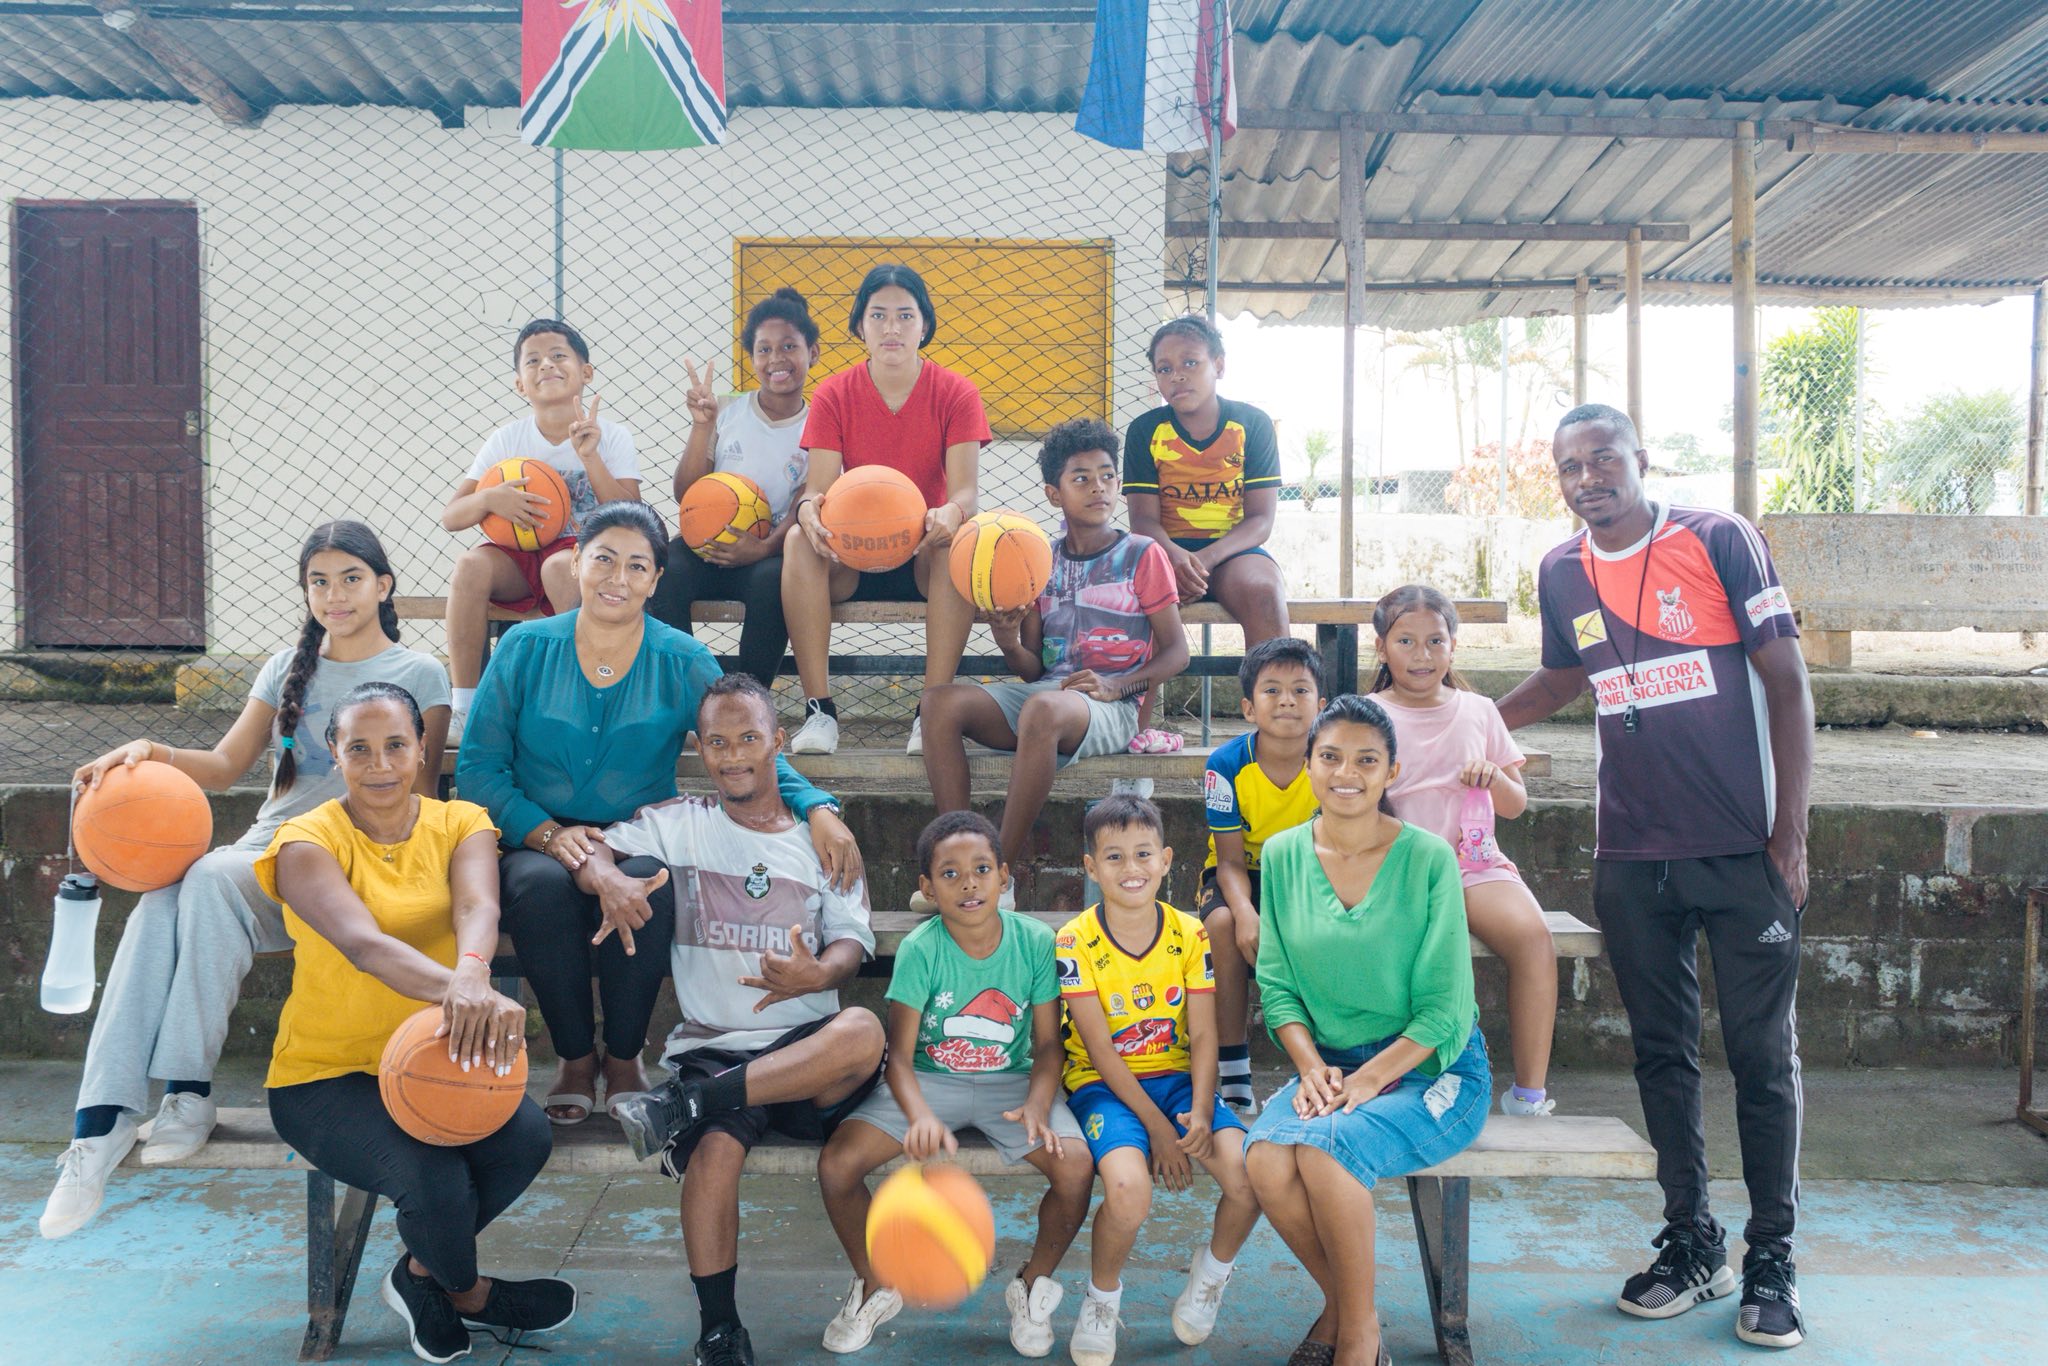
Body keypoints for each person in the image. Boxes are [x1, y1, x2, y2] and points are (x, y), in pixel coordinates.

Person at [1496, 403, 1813, 1350]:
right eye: (1569, 466)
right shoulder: (1562, 569)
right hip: (1633, 856)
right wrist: (1459, 719)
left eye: (1603, 459)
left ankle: (1773, 1258)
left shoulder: (1718, 539)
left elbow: (1788, 681)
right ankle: (1693, 1241)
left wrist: (1790, 833)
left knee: (1761, 1058)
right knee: (1662, 1055)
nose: (1587, 479)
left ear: (1642, 459)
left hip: (1743, 848)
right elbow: (1561, 680)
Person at [40, 521, 450, 1239]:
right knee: (164, 895)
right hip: (266, 858)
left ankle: (189, 1088)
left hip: (353, 863)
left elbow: (424, 792)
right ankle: (100, 1121)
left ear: (383, 586)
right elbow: (227, 766)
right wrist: (148, 750)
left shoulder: (419, 673)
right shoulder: (287, 666)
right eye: (318, 581)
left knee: (206, 877)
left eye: (351, 578)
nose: (335, 594)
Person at [455, 501, 862, 1126]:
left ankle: (624, 1059)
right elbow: (479, 769)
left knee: (650, 882)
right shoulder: (525, 647)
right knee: (539, 890)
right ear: (576, 563)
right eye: (604, 559)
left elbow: (748, 744)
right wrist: (549, 834)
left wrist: (820, 807)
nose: (618, 578)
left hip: (638, 837)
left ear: (655, 580)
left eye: (637, 566)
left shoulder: (682, 659)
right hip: (534, 835)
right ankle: (574, 1060)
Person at [567, 674, 884, 1366]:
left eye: (748, 737)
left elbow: (851, 942)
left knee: (862, 1030)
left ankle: (685, 1105)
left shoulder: (823, 840)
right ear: (699, 748)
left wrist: (819, 974)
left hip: (806, 1051)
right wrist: (607, 877)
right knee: (714, 1154)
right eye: (717, 742)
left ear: (778, 741)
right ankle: (719, 1331)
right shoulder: (677, 823)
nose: (734, 754)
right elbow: (590, 846)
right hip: (716, 1048)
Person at [260, 682, 572, 1365]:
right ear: (334, 753)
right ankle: (471, 1293)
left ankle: (421, 1273)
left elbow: (478, 909)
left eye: (396, 745)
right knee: (433, 1177)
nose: (380, 765)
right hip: (326, 1077)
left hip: (440, 1059)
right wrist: (466, 992)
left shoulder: (462, 822)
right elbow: (364, 946)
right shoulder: (304, 842)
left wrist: (472, 974)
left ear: (423, 748)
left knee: (525, 1137)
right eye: (359, 749)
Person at [1244, 694, 1490, 1366]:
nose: (1345, 773)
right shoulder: (1284, 855)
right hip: (1330, 1064)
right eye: (1329, 757)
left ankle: (1354, 1339)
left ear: (1391, 772)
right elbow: (1277, 986)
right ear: (1308, 765)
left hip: (1431, 1068)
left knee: (1325, 1151)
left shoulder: (1429, 858)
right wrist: (1310, 1068)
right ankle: (1353, 1310)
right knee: (1265, 1158)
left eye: (1365, 760)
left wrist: (1368, 1080)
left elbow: (1445, 1011)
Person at [818, 811, 1095, 1359]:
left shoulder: (1036, 942)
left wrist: (1039, 1102)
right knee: (837, 1165)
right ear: (927, 887)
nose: (969, 883)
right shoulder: (922, 948)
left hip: (1012, 1083)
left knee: (1077, 1167)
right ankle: (874, 1283)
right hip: (928, 1079)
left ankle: (1032, 1284)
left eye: (982, 869)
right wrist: (919, 1114)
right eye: (950, 873)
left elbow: (1048, 1047)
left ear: (1004, 877)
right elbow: (898, 1059)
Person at [918, 419, 1188, 886]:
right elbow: (1034, 669)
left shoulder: (1142, 554)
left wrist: (1118, 685)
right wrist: (1007, 640)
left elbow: (1178, 652)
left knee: (1043, 709)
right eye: (1081, 478)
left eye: (1107, 475)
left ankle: (996, 873)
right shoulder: (1039, 558)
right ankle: (957, 855)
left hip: (1115, 707)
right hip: (1050, 697)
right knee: (937, 703)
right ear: (1053, 494)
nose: (1098, 487)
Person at [1056, 794, 1259, 1366]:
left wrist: (1201, 1111)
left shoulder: (1190, 934)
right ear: (1091, 867)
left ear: (1166, 860)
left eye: (1143, 853)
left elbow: (1205, 1034)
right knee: (1128, 1190)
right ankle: (1102, 1300)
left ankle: (1211, 1273)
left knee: (1251, 1176)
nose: (1132, 868)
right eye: (1114, 857)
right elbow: (1100, 1050)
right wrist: (1158, 1130)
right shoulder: (1073, 940)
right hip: (1103, 1085)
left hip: (1178, 1081)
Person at [780, 263, 991, 755]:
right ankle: (819, 711)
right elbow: (817, 489)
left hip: (924, 552)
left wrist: (950, 514)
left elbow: (965, 494)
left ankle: (931, 712)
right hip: (852, 553)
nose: (891, 327)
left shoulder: (957, 392)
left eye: (904, 315)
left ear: (924, 324)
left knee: (960, 539)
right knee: (796, 539)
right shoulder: (834, 393)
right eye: (878, 315)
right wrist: (808, 510)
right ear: (860, 325)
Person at [1370, 583, 1559, 1117]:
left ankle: (1529, 1095)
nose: (1422, 654)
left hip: (1473, 864)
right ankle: (1390, 1075)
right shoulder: (1366, 713)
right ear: (1381, 648)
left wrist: (1495, 777)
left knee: (1534, 938)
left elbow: (1516, 804)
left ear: (1454, 646)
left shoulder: (1479, 711)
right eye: (1405, 641)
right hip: (1395, 867)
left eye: (1436, 640)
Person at [441, 318, 641, 734]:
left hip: (578, 556)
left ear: (586, 372)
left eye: (558, 355)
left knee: (559, 567)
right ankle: (466, 707)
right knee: (469, 567)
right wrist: (489, 499)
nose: (546, 364)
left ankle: (582, 695)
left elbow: (630, 514)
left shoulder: (611, 436)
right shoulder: (506, 440)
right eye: (532, 360)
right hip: (516, 558)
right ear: (520, 384)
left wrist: (590, 458)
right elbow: (452, 516)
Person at [1123, 315, 1289, 748]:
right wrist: (1175, 558)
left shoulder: (1251, 424)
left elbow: (1260, 520)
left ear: (1219, 364)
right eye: (1164, 368)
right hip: (1164, 552)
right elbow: (1143, 521)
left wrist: (1204, 560)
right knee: (1135, 597)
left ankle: (1279, 736)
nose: (1177, 375)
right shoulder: (1146, 431)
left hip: (1233, 552)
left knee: (1264, 591)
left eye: (1190, 362)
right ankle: (1132, 738)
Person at [648, 288, 820, 686]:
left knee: (773, 582)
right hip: (708, 546)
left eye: (789, 346)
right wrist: (702, 426)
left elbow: (805, 503)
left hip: (767, 551)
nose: (776, 358)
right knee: (666, 568)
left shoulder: (818, 425)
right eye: (764, 349)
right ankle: (688, 691)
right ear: (752, 358)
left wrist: (764, 547)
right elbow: (686, 492)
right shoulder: (725, 410)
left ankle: (749, 696)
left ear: (812, 353)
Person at [1201, 636, 1324, 1115]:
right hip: (1240, 873)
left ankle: (1322, 1063)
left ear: (1321, 705)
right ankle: (1234, 1070)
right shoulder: (1225, 765)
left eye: (1300, 690)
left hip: (1308, 870)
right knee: (1223, 925)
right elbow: (1229, 862)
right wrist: (1246, 913)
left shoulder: (1330, 761)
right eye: (1272, 690)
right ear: (1249, 708)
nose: (1287, 700)